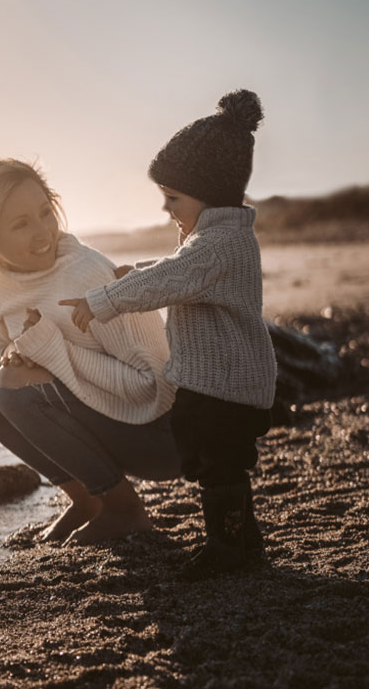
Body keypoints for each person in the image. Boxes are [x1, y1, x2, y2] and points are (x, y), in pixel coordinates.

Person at [60, 89, 277, 578]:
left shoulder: (219, 243)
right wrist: (133, 271)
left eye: (174, 199)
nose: (167, 210)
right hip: (221, 383)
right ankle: (243, 543)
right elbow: (175, 270)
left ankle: (229, 547)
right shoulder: (216, 239)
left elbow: (171, 279)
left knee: (218, 466)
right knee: (215, 465)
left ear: (210, 192)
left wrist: (102, 302)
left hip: (225, 388)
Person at [0, 158, 180, 545]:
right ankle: (88, 500)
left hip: (160, 435)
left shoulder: (86, 276)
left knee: (12, 386)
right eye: (20, 224)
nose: (42, 233)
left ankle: (124, 510)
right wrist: (22, 358)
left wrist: (52, 353)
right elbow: (2, 356)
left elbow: (154, 387)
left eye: (45, 213)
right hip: (102, 418)